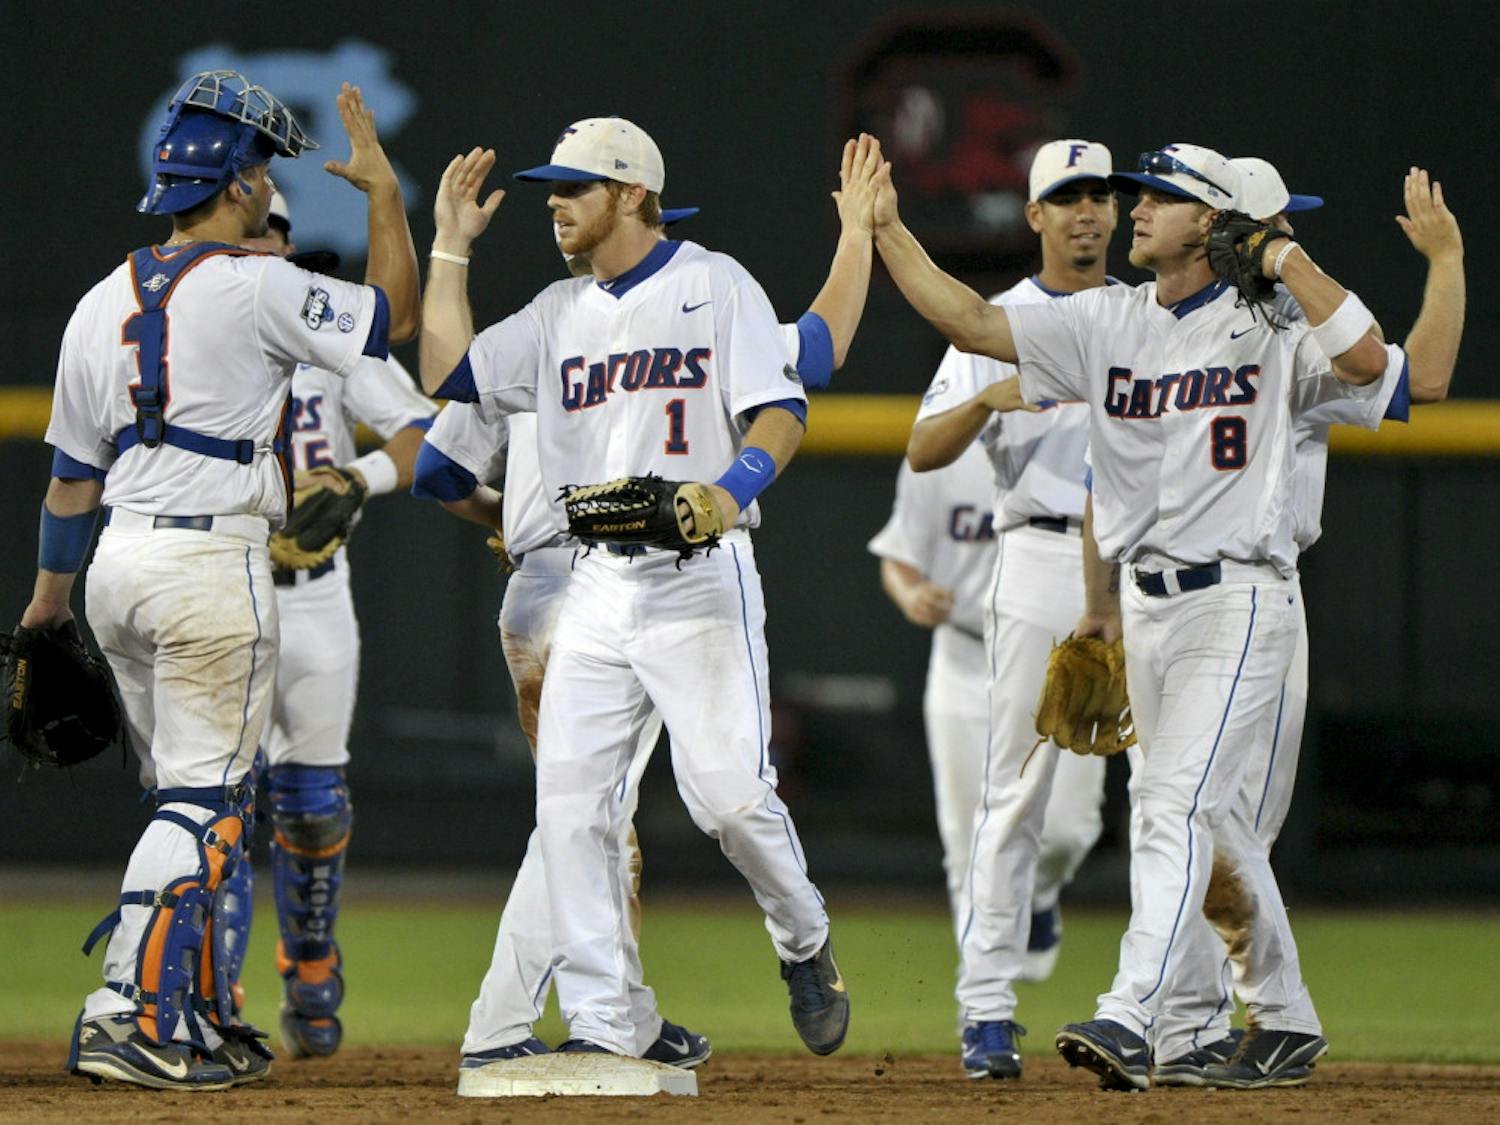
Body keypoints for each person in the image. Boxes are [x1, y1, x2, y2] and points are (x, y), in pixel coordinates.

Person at [869, 139, 1404, 1091]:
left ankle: (1132, 1012)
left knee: (1175, 809)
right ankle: (1269, 1015)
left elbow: (1376, 364)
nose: (1133, 208)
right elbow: (971, 319)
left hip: (1238, 597)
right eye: (1137, 194)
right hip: (1144, 605)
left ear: (1212, 222)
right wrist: (886, 232)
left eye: (1159, 196)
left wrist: (1280, 255)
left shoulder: (1272, 323)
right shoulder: (1106, 320)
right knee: (1211, 824)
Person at [418, 151, 876, 1079]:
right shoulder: (556, 312)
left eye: (573, 188)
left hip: (700, 577)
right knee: (573, 808)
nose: (554, 205)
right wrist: (449, 250)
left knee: (732, 800)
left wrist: (729, 487)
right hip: (592, 585)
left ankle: (803, 938)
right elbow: (448, 375)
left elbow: (787, 403)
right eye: (549, 190)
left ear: (631, 194)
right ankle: (598, 1020)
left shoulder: (714, 283)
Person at [22, 71, 417, 1091]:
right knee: (203, 806)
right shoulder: (258, 284)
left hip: (117, 561)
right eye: (262, 174)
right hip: (210, 563)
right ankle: (127, 1011)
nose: (266, 189)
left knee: (189, 801)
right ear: (237, 188)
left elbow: (70, 484)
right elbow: (396, 315)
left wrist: (45, 612)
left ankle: (189, 1010)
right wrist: (383, 195)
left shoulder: (97, 301)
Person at [1151, 160, 1465, 1088]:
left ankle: (1273, 1016)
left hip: (1254, 598)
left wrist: (1444, 261)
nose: (1293, 232)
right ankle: (1191, 1023)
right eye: (1278, 222)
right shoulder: (1164, 330)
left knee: (1214, 815)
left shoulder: (1293, 331)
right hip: (1161, 607)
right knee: (1187, 819)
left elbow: (1425, 378)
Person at [893, 140, 1119, 1080]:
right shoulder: (1001, 321)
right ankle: (986, 1007)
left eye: (1099, 195)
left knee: (1077, 826)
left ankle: (1166, 1003)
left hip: (1137, 565)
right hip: (1032, 553)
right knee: (1013, 791)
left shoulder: (1148, 314)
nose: (1086, 212)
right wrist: (989, 395)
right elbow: (922, 451)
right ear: (1034, 217)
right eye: (1065, 198)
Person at [213, 191, 436, 1061]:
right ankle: (215, 993)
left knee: (308, 806)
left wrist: (359, 479)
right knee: (219, 806)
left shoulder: (324, 340)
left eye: (273, 235)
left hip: (309, 595)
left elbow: (425, 432)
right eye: (251, 233)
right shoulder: (184, 337)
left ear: (286, 244)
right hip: (216, 588)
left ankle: (308, 960)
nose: (262, 247)